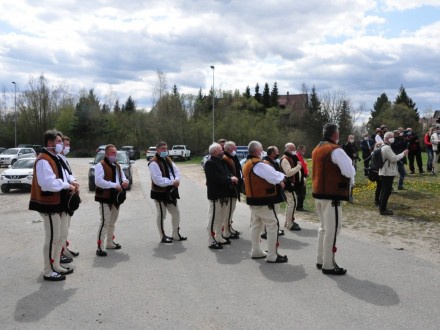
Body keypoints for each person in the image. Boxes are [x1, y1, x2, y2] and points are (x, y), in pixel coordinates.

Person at [29, 129, 77, 281]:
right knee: (52, 238)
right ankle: (48, 270)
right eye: (58, 142)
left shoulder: (55, 157)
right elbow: (47, 183)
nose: (61, 144)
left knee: (59, 237)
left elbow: (64, 175)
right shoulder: (43, 159)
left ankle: (56, 265)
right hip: (48, 204)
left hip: (58, 203)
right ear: (49, 143)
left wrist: (70, 182)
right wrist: (66, 185)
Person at [312, 123, 355, 275]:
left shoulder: (317, 148)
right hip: (331, 196)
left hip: (319, 194)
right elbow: (348, 171)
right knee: (333, 230)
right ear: (335, 135)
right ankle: (328, 264)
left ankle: (321, 259)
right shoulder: (335, 150)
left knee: (324, 228)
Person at [242, 141, 287, 263]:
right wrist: (282, 177)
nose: (262, 152)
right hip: (263, 200)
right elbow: (274, 176)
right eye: (261, 149)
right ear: (257, 151)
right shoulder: (258, 164)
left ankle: (256, 251)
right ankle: (272, 255)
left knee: (256, 225)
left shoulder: (247, 163)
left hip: (254, 200)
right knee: (273, 225)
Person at [149, 141, 187, 243]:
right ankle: (162, 236)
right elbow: (157, 180)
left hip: (171, 191)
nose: (165, 150)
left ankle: (175, 234)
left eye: (166, 149)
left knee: (176, 213)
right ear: (157, 150)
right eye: (162, 149)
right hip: (159, 192)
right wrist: (172, 182)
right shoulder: (153, 162)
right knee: (162, 215)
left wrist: (177, 180)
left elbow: (177, 171)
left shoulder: (168, 159)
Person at [95, 144, 130, 256]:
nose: (114, 155)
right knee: (105, 222)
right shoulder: (100, 165)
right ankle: (100, 247)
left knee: (112, 222)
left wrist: (125, 182)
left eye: (115, 153)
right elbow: (98, 181)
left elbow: (123, 177)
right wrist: (114, 185)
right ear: (107, 154)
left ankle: (109, 242)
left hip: (116, 198)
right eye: (112, 153)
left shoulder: (117, 165)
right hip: (105, 197)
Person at [204, 142, 238, 249]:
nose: (222, 150)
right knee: (214, 218)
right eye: (220, 149)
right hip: (216, 195)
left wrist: (232, 177)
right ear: (214, 152)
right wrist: (229, 179)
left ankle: (218, 236)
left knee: (222, 217)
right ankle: (211, 240)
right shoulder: (209, 163)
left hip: (224, 194)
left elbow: (227, 173)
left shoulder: (221, 161)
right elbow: (216, 178)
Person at [58, 135, 80, 260]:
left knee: (66, 227)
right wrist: (71, 183)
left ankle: (64, 250)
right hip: (63, 196)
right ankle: (60, 253)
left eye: (67, 144)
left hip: (69, 193)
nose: (67, 147)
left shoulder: (64, 159)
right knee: (62, 229)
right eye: (65, 144)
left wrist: (74, 181)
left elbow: (69, 175)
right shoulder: (58, 159)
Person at [378, 132, 409, 215]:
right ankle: (382, 209)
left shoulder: (383, 145)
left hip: (385, 171)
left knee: (384, 190)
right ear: (387, 138)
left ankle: (382, 207)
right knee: (386, 191)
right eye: (392, 137)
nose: (393, 139)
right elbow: (393, 158)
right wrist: (403, 154)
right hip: (387, 172)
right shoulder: (387, 148)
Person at [261, 146, 285, 239]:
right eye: (277, 151)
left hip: (276, 190)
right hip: (271, 191)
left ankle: (273, 229)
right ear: (272, 153)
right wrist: (280, 181)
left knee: (275, 210)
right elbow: (271, 177)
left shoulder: (273, 162)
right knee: (272, 212)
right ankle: (266, 231)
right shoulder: (267, 163)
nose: (278, 153)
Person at [222, 141, 243, 239]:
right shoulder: (224, 158)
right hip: (230, 188)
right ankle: (226, 232)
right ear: (229, 149)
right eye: (234, 148)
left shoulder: (232, 157)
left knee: (231, 210)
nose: (236, 150)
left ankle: (229, 228)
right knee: (228, 211)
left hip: (235, 186)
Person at [280, 143, 302, 231]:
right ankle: (289, 223)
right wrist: (298, 166)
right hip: (288, 185)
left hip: (291, 184)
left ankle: (288, 222)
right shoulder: (285, 159)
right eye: (292, 149)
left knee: (292, 203)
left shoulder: (289, 158)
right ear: (287, 149)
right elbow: (288, 173)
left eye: (294, 148)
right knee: (292, 203)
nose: (294, 150)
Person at [296, 145, 309, 211]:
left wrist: (307, 172)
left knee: (302, 192)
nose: (304, 151)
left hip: (303, 176)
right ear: (300, 149)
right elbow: (301, 167)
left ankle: (299, 206)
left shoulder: (300, 156)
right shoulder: (297, 156)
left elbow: (304, 165)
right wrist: (305, 173)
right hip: (300, 177)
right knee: (301, 192)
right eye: (303, 150)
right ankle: (299, 207)